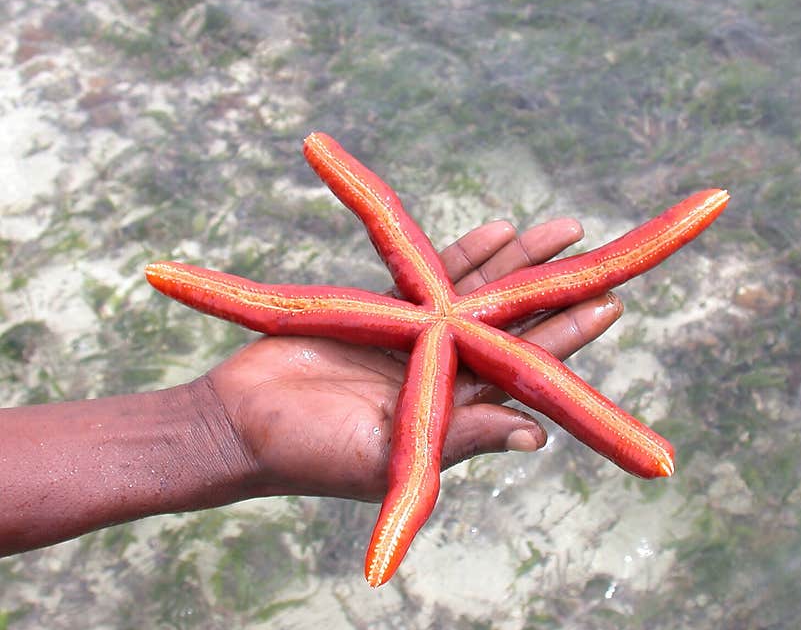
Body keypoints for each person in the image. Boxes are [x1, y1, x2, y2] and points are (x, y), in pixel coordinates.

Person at [0, 217, 623, 558]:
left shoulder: (433, 326)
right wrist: (218, 431)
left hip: (436, 329)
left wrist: (214, 428)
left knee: (591, 281)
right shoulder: (440, 329)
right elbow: (273, 306)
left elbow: (282, 299)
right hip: (445, 330)